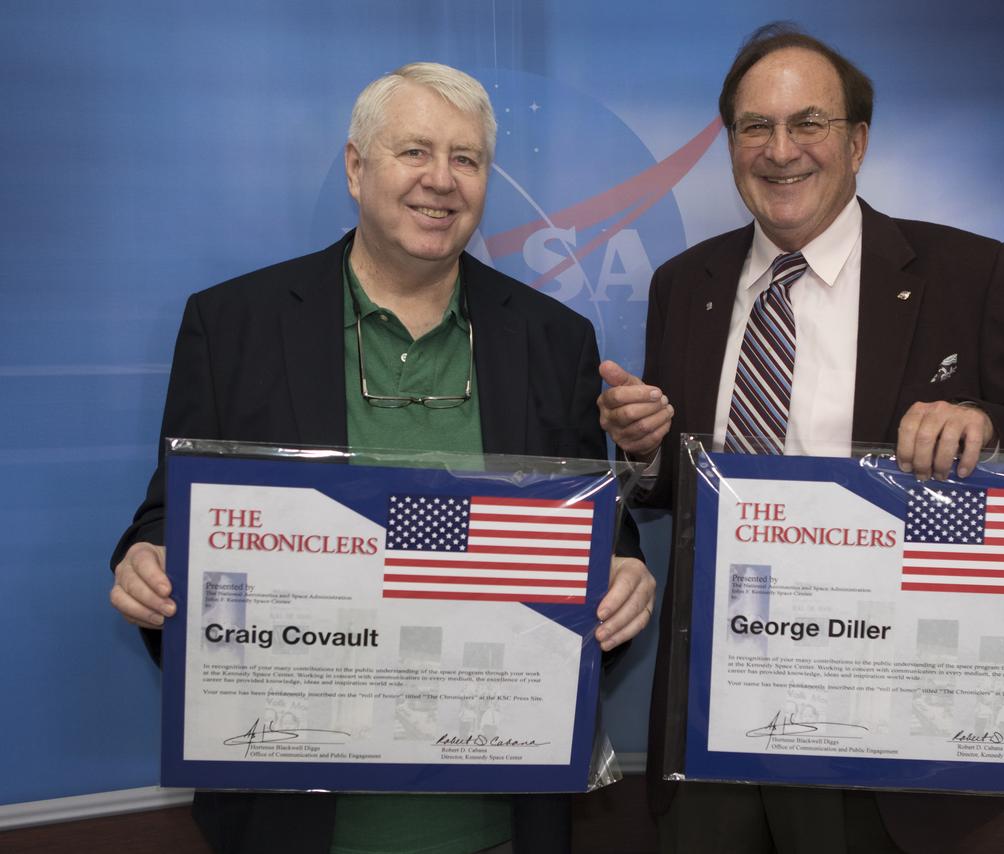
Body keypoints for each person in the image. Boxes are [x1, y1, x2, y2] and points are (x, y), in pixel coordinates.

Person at [109, 62, 655, 854]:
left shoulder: (553, 341)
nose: (442, 180)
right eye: (414, 152)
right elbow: (171, 516)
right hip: (297, 810)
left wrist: (626, 572)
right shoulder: (233, 326)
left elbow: (593, 533)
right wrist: (146, 559)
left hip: (497, 809)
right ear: (357, 167)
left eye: (466, 159)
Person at [597, 23, 1004, 854]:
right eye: (756, 126)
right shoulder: (688, 285)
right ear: (730, 146)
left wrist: (986, 425)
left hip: (882, 718)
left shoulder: (962, 272)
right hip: (713, 712)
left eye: (808, 124)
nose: (781, 150)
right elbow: (675, 494)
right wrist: (645, 450)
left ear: (857, 142)